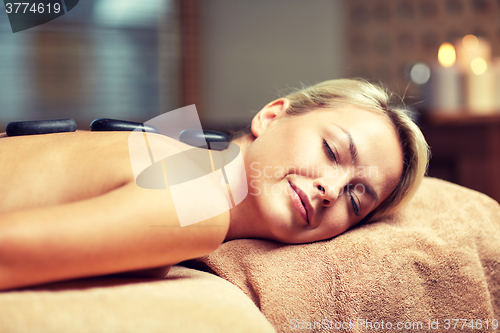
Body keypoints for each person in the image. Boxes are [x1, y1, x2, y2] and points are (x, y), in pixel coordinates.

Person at [0, 79, 429, 290]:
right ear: (272, 115)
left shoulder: (171, 152)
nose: (332, 190)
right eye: (332, 152)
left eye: (356, 199)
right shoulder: (200, 199)